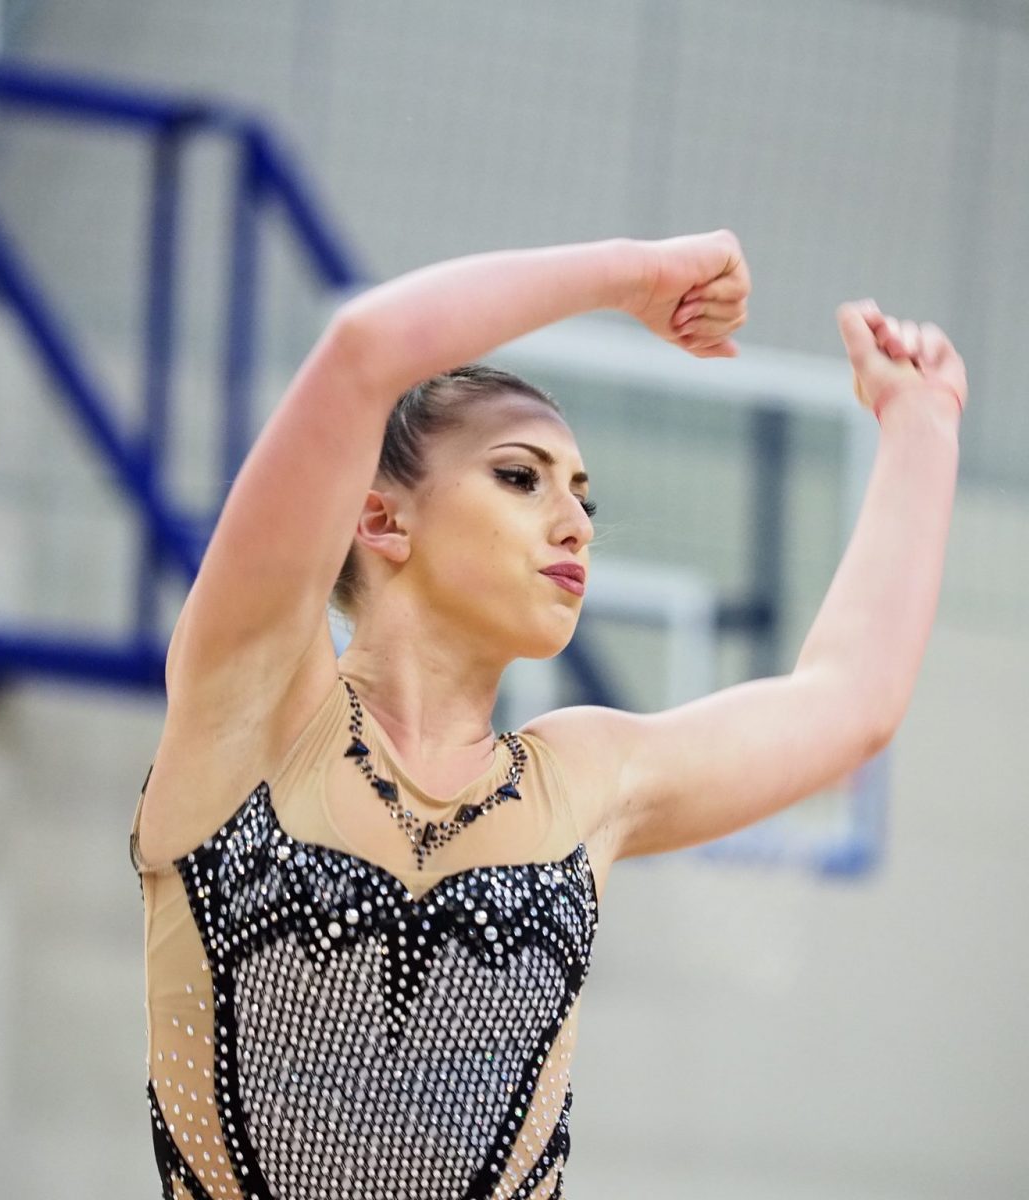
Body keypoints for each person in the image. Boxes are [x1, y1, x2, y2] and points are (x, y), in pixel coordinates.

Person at [128, 230, 965, 1199]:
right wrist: (634, 276)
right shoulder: (257, 697)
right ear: (381, 519)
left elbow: (850, 703)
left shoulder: (582, 780)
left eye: (584, 499)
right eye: (520, 477)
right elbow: (364, 348)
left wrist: (922, 422)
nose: (575, 524)